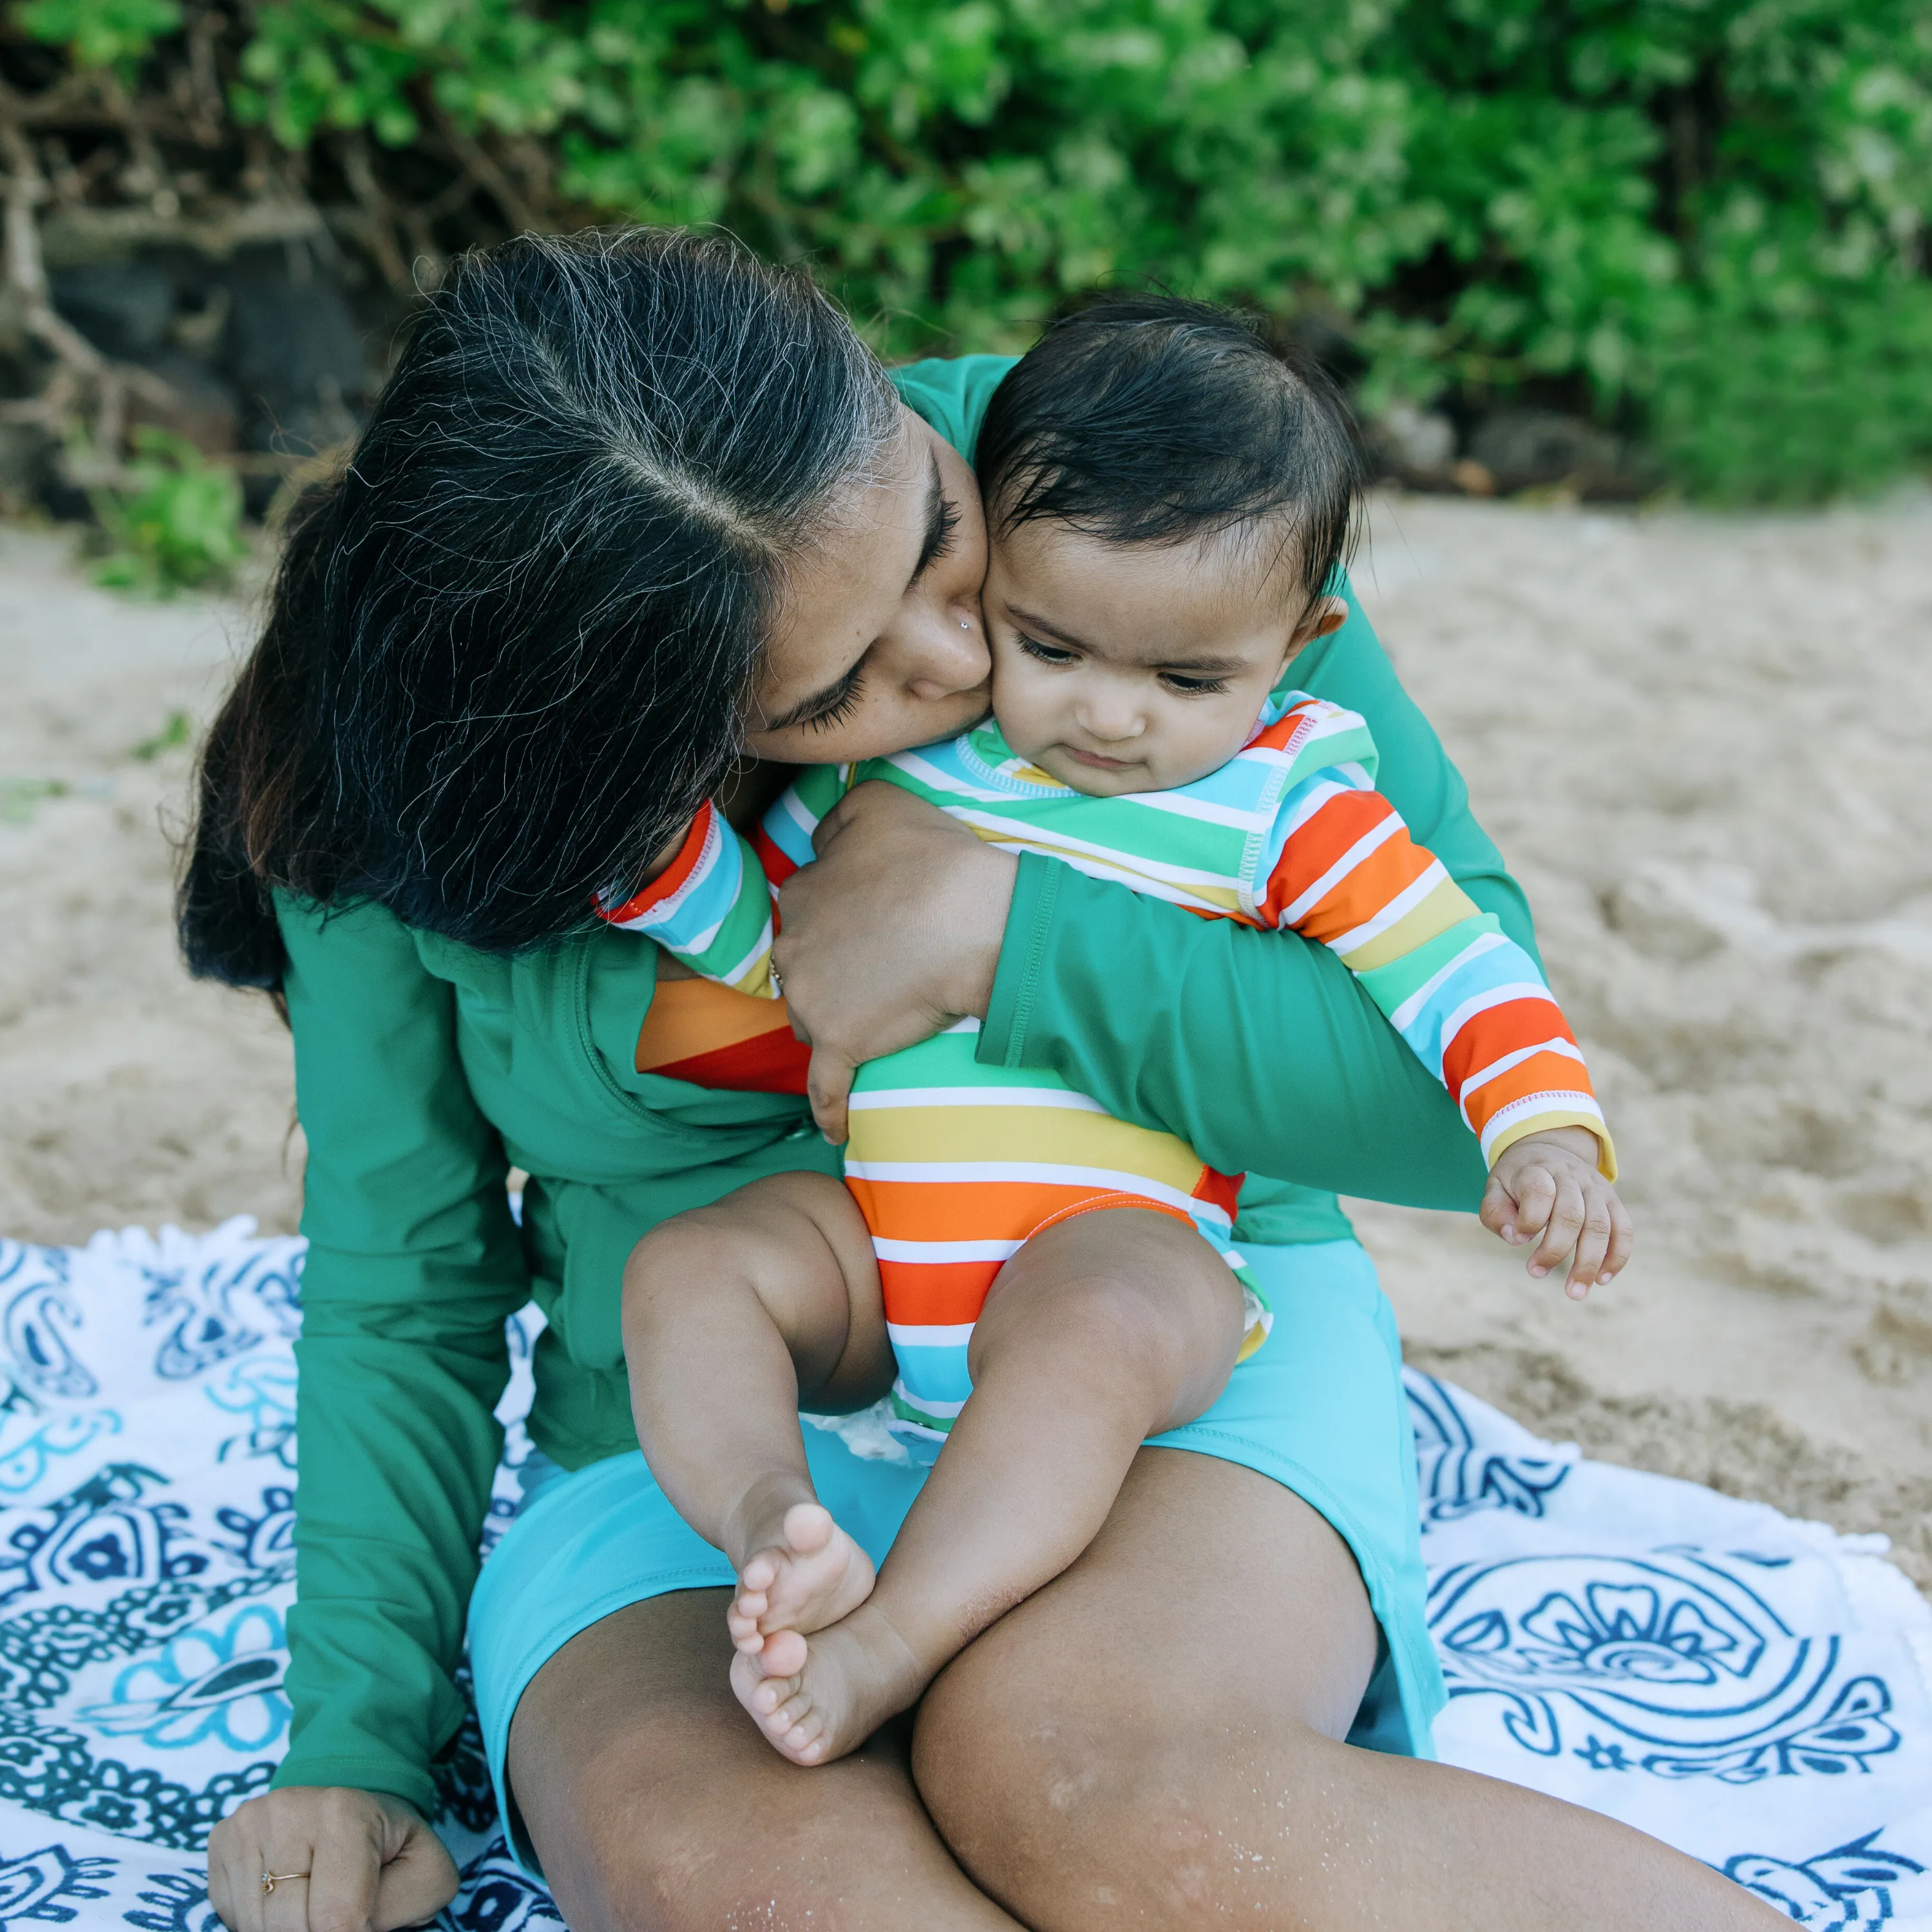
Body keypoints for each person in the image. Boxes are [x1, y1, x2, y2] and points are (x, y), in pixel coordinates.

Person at [185, 227, 1782, 1931]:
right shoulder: (396, 782)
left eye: (941, 547)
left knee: (1098, 1791)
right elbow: (403, 1286)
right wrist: (349, 1742)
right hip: (699, 1436)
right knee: (760, 1883)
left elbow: (1446, 1093)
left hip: (1162, 1325)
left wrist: (1015, 935)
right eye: (834, 684)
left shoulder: (1134, 498)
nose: (961, 672)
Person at [611, 296, 1631, 1770]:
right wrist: (651, 867)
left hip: (1113, 1243)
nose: (1110, 716)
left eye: (1186, 679)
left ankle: (891, 1644)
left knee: (1093, 1331)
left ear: (1301, 640)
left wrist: (1545, 1129)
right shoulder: (923, 767)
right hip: (883, 1255)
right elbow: (778, 952)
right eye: (1054, 646)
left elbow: (1454, 973)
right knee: (693, 1267)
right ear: (997, 590)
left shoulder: (1288, 805)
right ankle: (775, 1516)